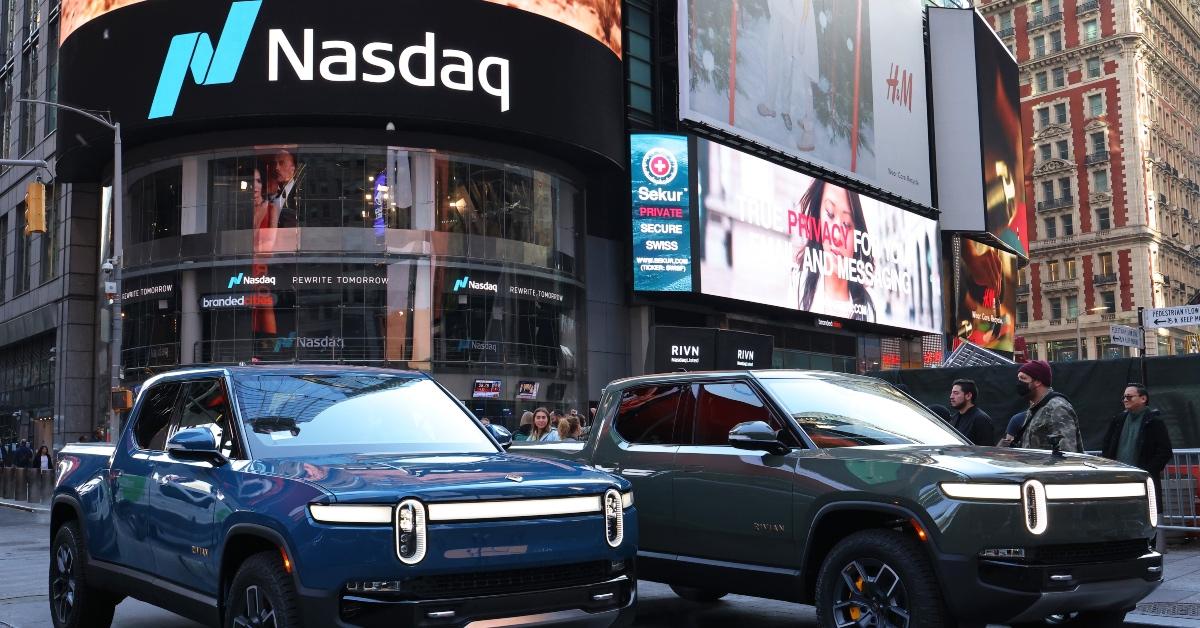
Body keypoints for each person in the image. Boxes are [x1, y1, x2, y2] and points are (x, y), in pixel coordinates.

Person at [794, 180, 876, 323]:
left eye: (846, 224)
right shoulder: (796, 285)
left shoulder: (870, 308)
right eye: (830, 214)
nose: (837, 236)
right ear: (818, 216)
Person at [1101, 384, 1173, 545]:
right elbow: (1107, 446)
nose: (1125, 399)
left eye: (1129, 396)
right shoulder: (1119, 420)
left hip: (1142, 480)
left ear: (1143, 398)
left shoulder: (1154, 422)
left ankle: (1147, 549)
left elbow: (1165, 451)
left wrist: (1146, 472)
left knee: (1144, 517)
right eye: (1124, 396)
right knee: (1118, 516)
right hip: (1118, 479)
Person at [757, 0, 817, 151]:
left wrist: (802, 25)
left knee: (791, 62)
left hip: (793, 14)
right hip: (779, 8)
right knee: (773, 56)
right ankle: (770, 104)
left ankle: (787, 111)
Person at [1014, 360, 1084, 452]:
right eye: (1018, 378)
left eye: (1023, 378)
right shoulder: (1035, 408)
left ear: (1038, 382)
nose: (1019, 383)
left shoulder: (1057, 408)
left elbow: (1067, 454)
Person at [948, 379, 995, 446]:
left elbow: (986, 449)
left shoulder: (981, 419)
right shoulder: (954, 418)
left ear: (968, 396)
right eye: (952, 393)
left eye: (956, 393)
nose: (951, 397)